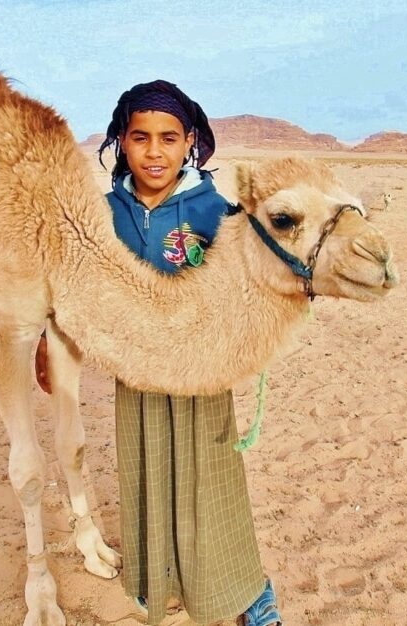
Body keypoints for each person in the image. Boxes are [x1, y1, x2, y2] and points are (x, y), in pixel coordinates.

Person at [35, 80, 281, 626]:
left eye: (168, 138)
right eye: (140, 137)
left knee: (212, 479)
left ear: (189, 141)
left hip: (203, 371)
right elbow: (75, 283)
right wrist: (47, 343)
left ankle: (247, 592)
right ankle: (161, 579)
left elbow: (250, 280)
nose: (154, 152)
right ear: (121, 141)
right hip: (138, 371)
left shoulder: (216, 209)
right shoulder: (100, 215)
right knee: (148, 468)